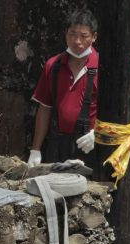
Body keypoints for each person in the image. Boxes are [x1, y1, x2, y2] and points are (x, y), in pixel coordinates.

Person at [28, 10, 99, 166]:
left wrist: (100, 133)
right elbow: (45, 108)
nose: (77, 41)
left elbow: (114, 112)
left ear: (93, 37)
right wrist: (35, 149)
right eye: (72, 34)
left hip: (89, 145)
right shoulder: (53, 65)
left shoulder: (103, 68)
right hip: (57, 143)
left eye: (83, 36)